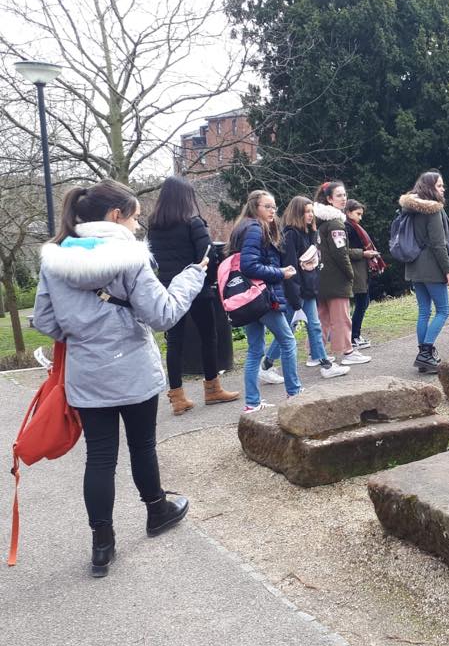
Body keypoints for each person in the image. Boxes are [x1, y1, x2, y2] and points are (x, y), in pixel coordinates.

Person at [33, 179, 206, 577]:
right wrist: (190, 277)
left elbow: (44, 319)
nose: (137, 226)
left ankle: (102, 546)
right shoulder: (130, 257)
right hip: (133, 370)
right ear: (116, 216)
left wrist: (80, 335)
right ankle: (157, 511)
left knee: (99, 457)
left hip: (87, 375)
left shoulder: (55, 259)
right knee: (142, 446)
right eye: (135, 218)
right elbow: (162, 315)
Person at [147, 176, 239, 414]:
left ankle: (177, 397)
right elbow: (208, 255)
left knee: (174, 342)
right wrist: (210, 282)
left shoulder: (154, 226)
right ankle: (212, 389)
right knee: (208, 337)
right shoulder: (193, 222)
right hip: (195, 289)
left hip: (168, 290)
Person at [228, 190, 302, 413]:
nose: (272, 211)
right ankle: (295, 393)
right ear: (255, 207)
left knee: (255, 349)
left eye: (274, 207)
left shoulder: (242, 227)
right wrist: (280, 272)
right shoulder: (255, 228)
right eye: (267, 207)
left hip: (247, 298)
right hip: (262, 297)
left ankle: (252, 403)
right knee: (287, 341)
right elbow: (249, 266)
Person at [262, 196, 349, 380]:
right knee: (289, 329)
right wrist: (294, 297)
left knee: (311, 326)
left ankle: (323, 363)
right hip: (296, 291)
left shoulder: (308, 232)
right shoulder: (291, 235)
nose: (310, 215)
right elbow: (291, 266)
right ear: (297, 213)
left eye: (311, 211)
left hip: (307, 289)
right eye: (306, 212)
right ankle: (267, 365)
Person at [399, 171, 449, 372]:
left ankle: (424, 355)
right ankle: (425, 352)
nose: (443, 189)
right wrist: (448, 270)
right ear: (430, 188)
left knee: (424, 311)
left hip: (414, 264)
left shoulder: (410, 209)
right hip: (431, 266)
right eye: (439, 186)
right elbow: (438, 245)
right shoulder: (432, 210)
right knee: (444, 310)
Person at [315, 182, 370, 366]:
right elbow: (341, 253)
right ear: (329, 199)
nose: (344, 198)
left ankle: (315, 353)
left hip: (321, 275)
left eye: (344, 195)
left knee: (322, 317)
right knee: (341, 317)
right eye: (339, 195)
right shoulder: (336, 223)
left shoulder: (319, 221)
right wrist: (350, 274)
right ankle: (347, 351)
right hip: (336, 277)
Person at [345, 198, 386, 350]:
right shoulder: (347, 228)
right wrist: (364, 253)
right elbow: (344, 251)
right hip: (355, 269)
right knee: (362, 301)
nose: (360, 217)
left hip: (361, 269)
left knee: (364, 301)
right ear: (349, 212)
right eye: (358, 214)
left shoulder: (354, 227)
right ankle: (353, 336)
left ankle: (354, 334)